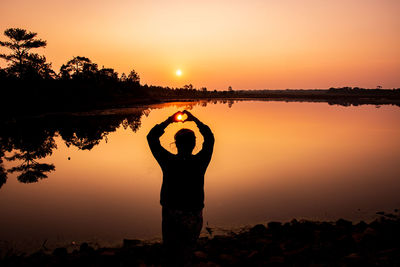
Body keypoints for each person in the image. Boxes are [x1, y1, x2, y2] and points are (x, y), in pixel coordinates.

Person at [147, 110, 215, 266]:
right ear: (194, 144)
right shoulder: (199, 162)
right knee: (187, 250)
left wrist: (169, 121)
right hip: (193, 212)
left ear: (176, 144)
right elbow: (210, 138)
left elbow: (151, 138)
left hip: (171, 211)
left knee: (171, 250)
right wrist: (194, 120)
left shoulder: (168, 161)